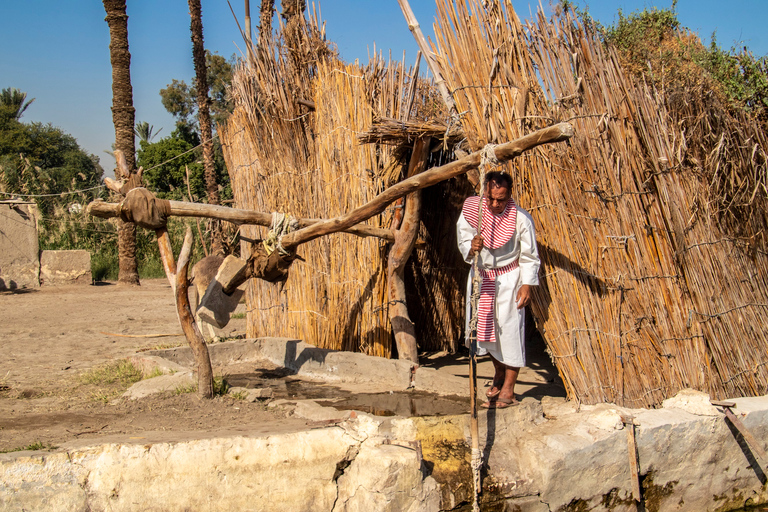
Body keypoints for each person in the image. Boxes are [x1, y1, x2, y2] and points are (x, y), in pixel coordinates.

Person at [456, 171, 540, 408]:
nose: (494, 204)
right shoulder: (474, 212)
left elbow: (530, 256)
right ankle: (499, 375)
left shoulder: (521, 219)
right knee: (484, 331)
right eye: (490, 198)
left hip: (509, 280)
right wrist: (471, 247)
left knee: (509, 332)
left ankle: (509, 389)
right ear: (484, 191)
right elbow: (463, 241)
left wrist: (526, 285)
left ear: (509, 195)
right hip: (481, 279)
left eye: (500, 200)